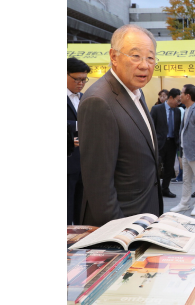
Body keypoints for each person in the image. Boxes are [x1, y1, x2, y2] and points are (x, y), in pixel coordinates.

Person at [78, 25, 162, 226]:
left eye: (150, 58)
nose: (144, 65)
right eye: (135, 56)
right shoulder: (99, 101)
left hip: (143, 216)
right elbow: (99, 186)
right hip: (121, 227)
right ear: (114, 57)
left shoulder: (135, 92)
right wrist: (119, 235)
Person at [170, 84, 195, 216]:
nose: (179, 95)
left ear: (188, 96)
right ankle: (184, 203)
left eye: (181, 93)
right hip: (186, 151)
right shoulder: (186, 109)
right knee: (186, 179)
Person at [67, 57, 90, 225]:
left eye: (84, 79)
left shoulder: (85, 98)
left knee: (82, 211)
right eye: (77, 79)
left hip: (85, 164)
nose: (81, 83)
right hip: (68, 163)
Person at [150, 88, 182, 198]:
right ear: (171, 98)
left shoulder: (178, 111)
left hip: (172, 144)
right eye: (178, 100)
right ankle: (154, 190)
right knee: (156, 168)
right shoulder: (156, 109)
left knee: (169, 168)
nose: (179, 103)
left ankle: (165, 189)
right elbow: (151, 126)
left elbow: (178, 129)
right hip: (159, 143)